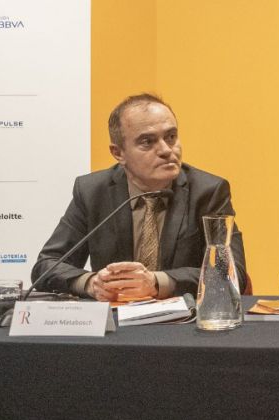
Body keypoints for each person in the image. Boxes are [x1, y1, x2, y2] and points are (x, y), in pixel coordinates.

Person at [32, 94, 247, 301]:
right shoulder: (92, 192)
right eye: (147, 142)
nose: (166, 150)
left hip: (183, 320)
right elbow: (46, 266)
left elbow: (231, 272)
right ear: (118, 153)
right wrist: (90, 283)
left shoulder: (208, 192)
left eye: (171, 137)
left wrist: (157, 283)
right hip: (115, 319)